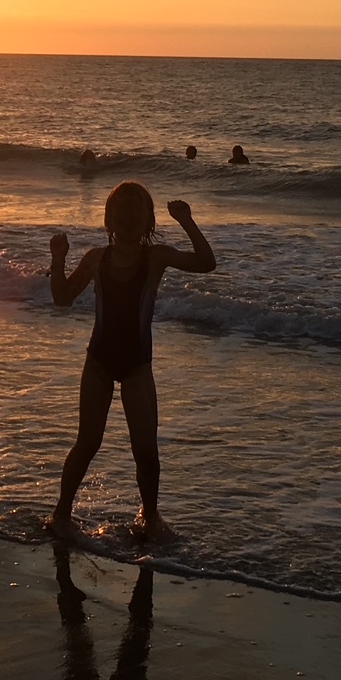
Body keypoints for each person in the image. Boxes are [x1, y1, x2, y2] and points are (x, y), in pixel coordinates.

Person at [46, 182, 215, 543]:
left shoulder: (155, 258)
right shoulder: (97, 258)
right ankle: (60, 514)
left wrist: (186, 221)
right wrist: (58, 258)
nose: (128, 218)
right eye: (122, 212)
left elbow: (206, 262)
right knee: (87, 444)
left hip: (137, 367)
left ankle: (149, 518)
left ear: (148, 222)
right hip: (98, 363)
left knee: (146, 452)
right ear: (109, 220)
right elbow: (62, 297)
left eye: (136, 212)